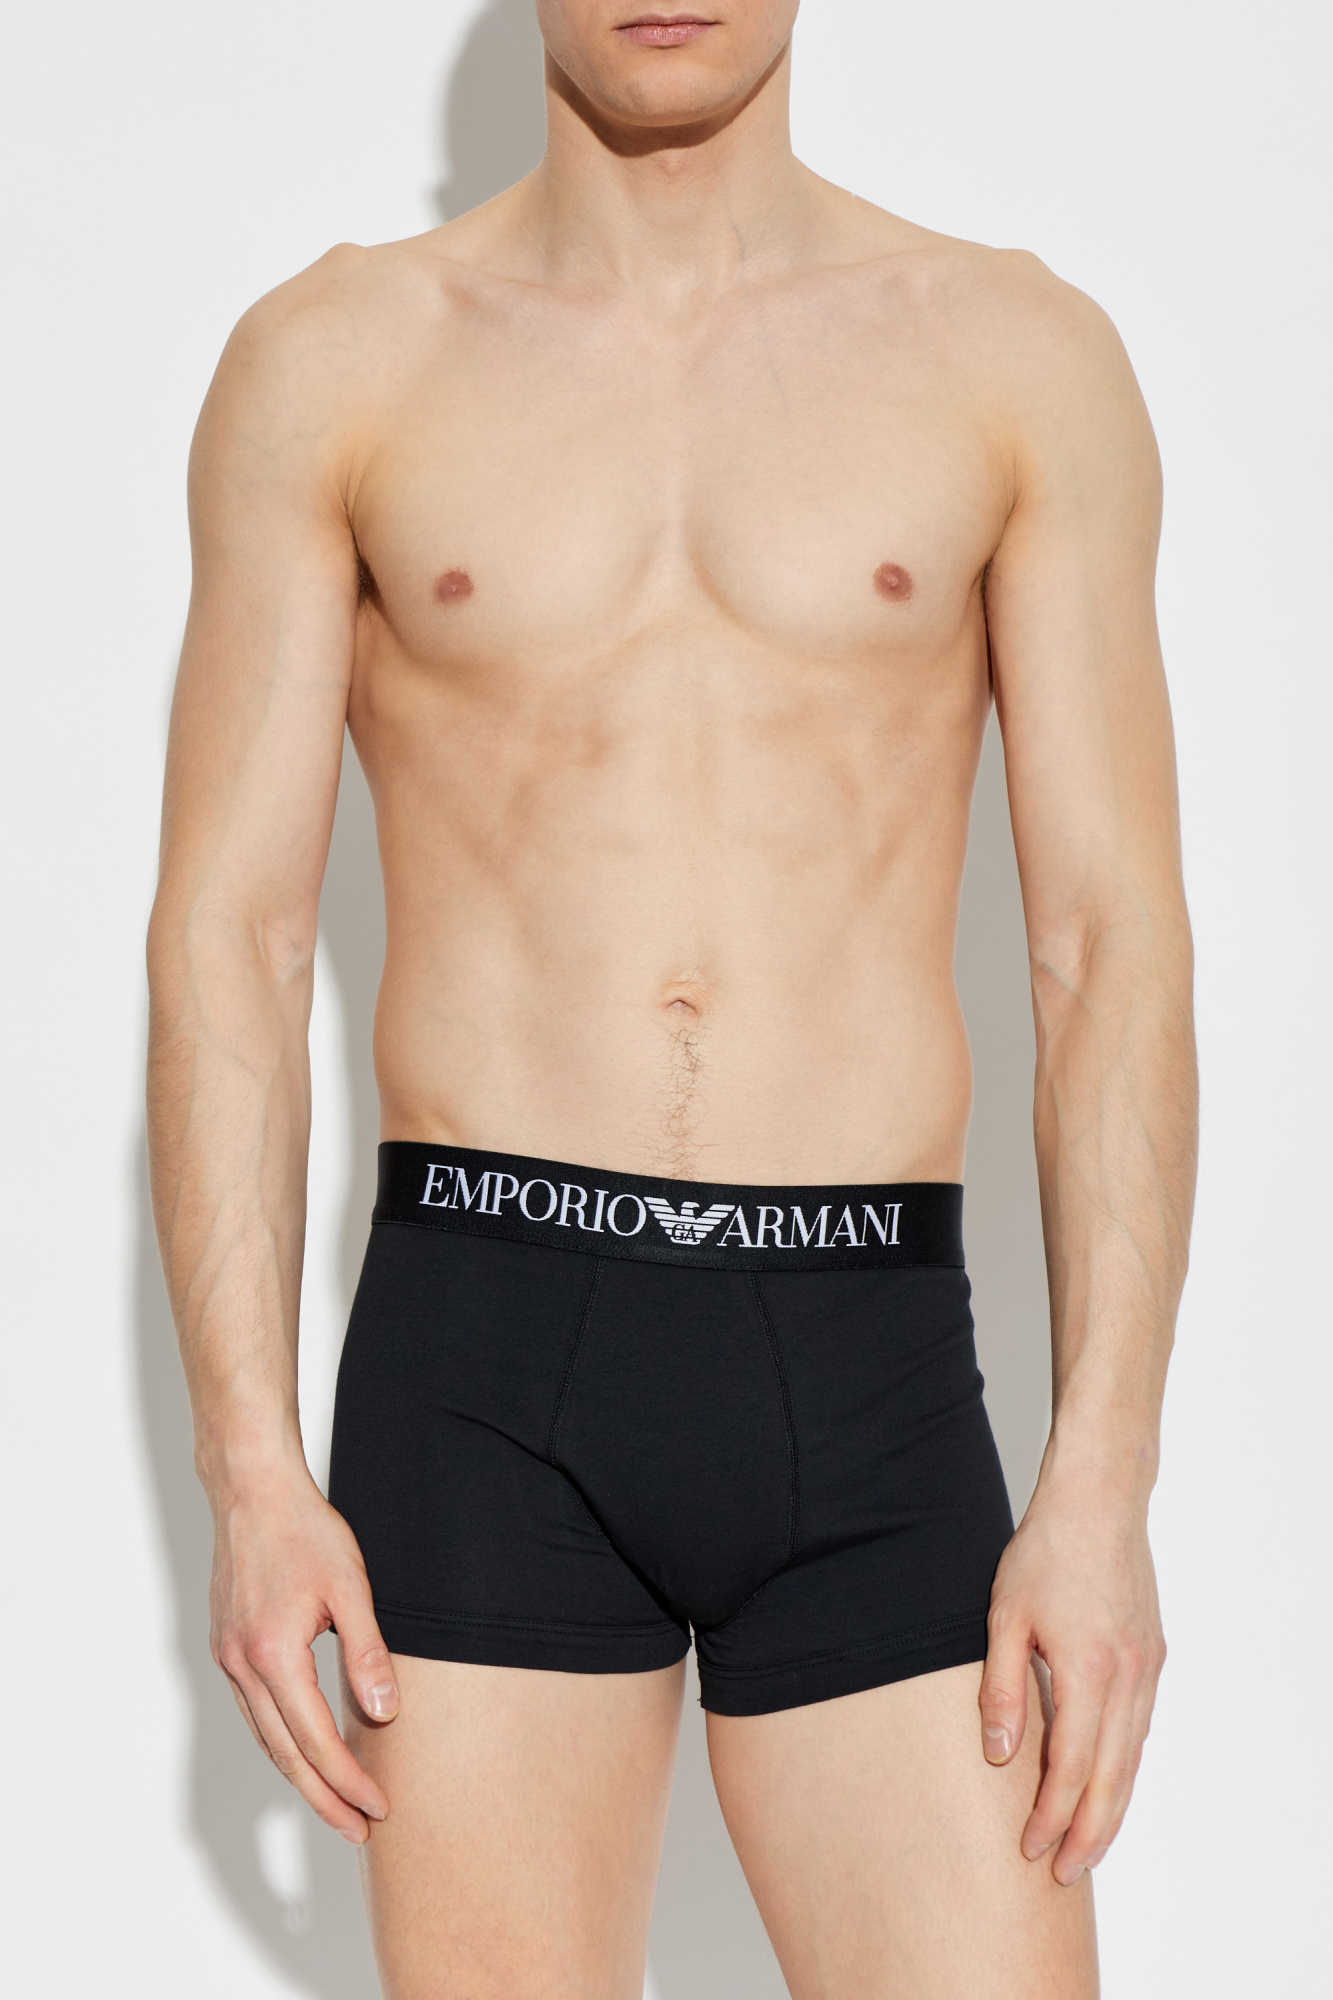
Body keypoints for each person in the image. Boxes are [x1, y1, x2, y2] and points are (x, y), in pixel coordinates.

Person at [147, 4, 1197, 1993]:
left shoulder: (1010, 355)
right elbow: (232, 934)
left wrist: (1103, 1479)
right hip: (484, 1365)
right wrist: (250, 1470)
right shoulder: (340, 359)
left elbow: (1106, 940)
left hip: (871, 1366)